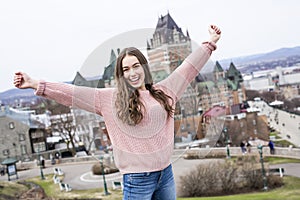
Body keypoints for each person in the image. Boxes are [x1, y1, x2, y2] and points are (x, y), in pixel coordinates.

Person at [14, 25, 221, 200]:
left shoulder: (165, 91)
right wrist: (35, 83)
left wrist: (210, 42)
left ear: (144, 67)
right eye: (126, 70)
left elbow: (188, 68)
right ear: (121, 75)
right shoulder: (109, 99)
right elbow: (71, 93)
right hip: (137, 180)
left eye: (136, 66)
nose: (132, 73)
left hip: (165, 174)